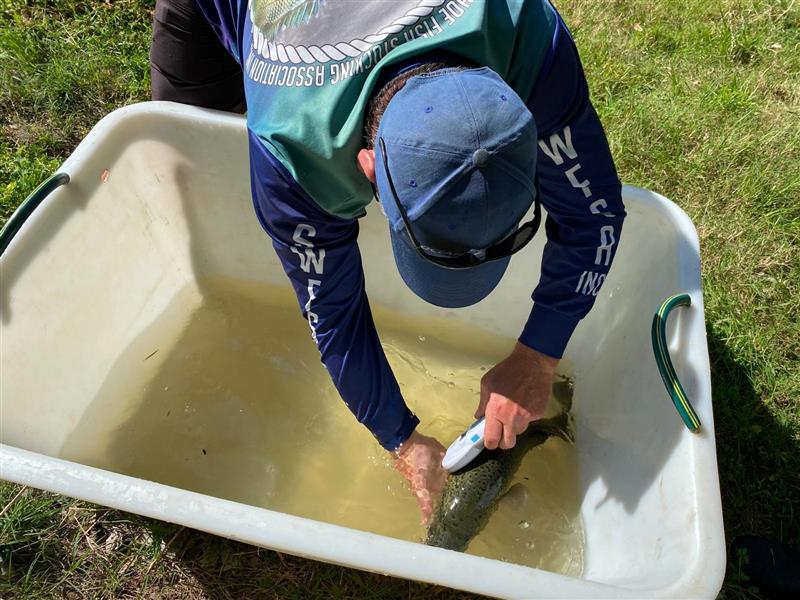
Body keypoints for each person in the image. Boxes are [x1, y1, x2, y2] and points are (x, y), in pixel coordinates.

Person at [151, 0, 626, 523]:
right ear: (369, 167)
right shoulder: (289, 147)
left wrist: (537, 358)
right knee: (198, 163)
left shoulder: (525, 33)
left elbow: (594, 214)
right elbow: (335, 316)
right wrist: (400, 438)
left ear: (526, 118)